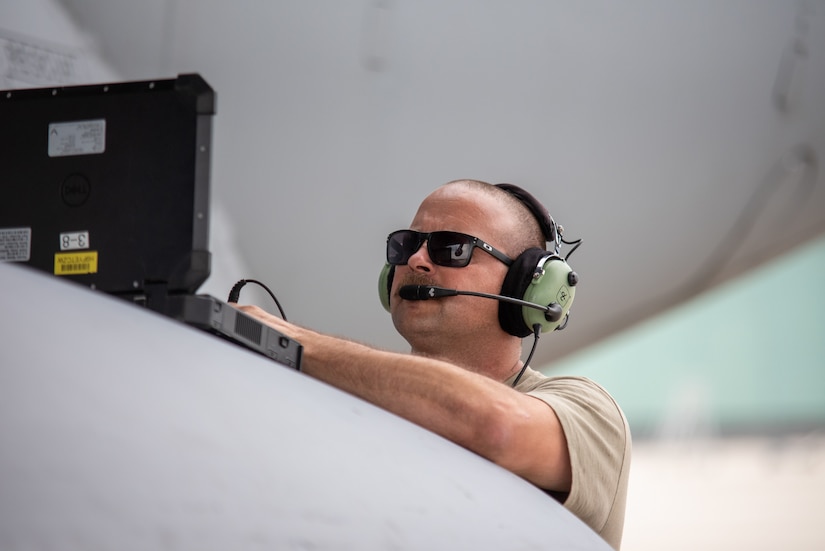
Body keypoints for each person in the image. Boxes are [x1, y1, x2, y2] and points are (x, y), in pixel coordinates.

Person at [235, 179, 631, 549]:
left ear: (528, 284)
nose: (416, 262)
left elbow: (496, 426)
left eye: (451, 248)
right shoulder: (353, 406)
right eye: (405, 246)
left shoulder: (589, 411)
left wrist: (293, 342)